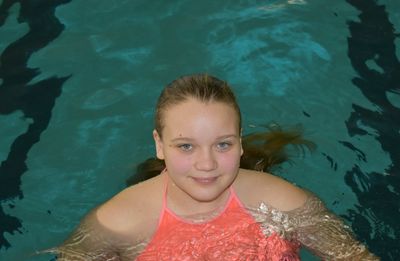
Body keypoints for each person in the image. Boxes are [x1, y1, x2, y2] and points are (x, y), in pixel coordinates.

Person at [50, 74, 379, 260]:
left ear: (239, 141)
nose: (206, 164)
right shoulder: (116, 224)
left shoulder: (283, 203)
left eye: (222, 144)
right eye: (185, 146)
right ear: (159, 145)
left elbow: (354, 257)